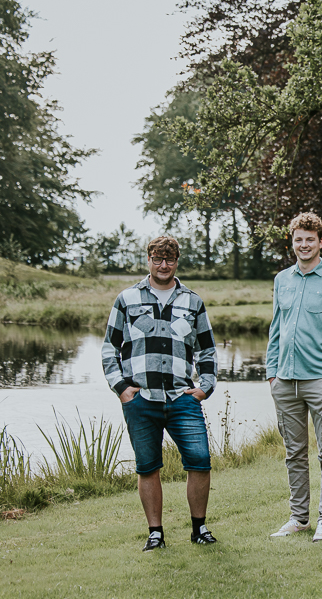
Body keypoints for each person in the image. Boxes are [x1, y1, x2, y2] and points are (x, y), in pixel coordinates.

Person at [102, 236, 218, 552]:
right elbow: (109, 348)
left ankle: (199, 528)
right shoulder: (126, 299)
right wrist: (122, 389)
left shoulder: (192, 302)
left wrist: (205, 387)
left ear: (176, 261)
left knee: (200, 461)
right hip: (141, 400)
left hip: (183, 398)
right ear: (149, 260)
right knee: (148, 466)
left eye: (169, 259)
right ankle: (156, 533)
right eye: (157, 258)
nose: (163, 264)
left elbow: (207, 349)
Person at [266, 212, 322, 542]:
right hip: (284, 381)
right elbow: (276, 329)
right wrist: (271, 374)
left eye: (310, 239)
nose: (304, 245)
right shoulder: (282, 280)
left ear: (320, 242)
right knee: (294, 454)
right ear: (293, 242)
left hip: (321, 381)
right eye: (299, 239)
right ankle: (299, 518)